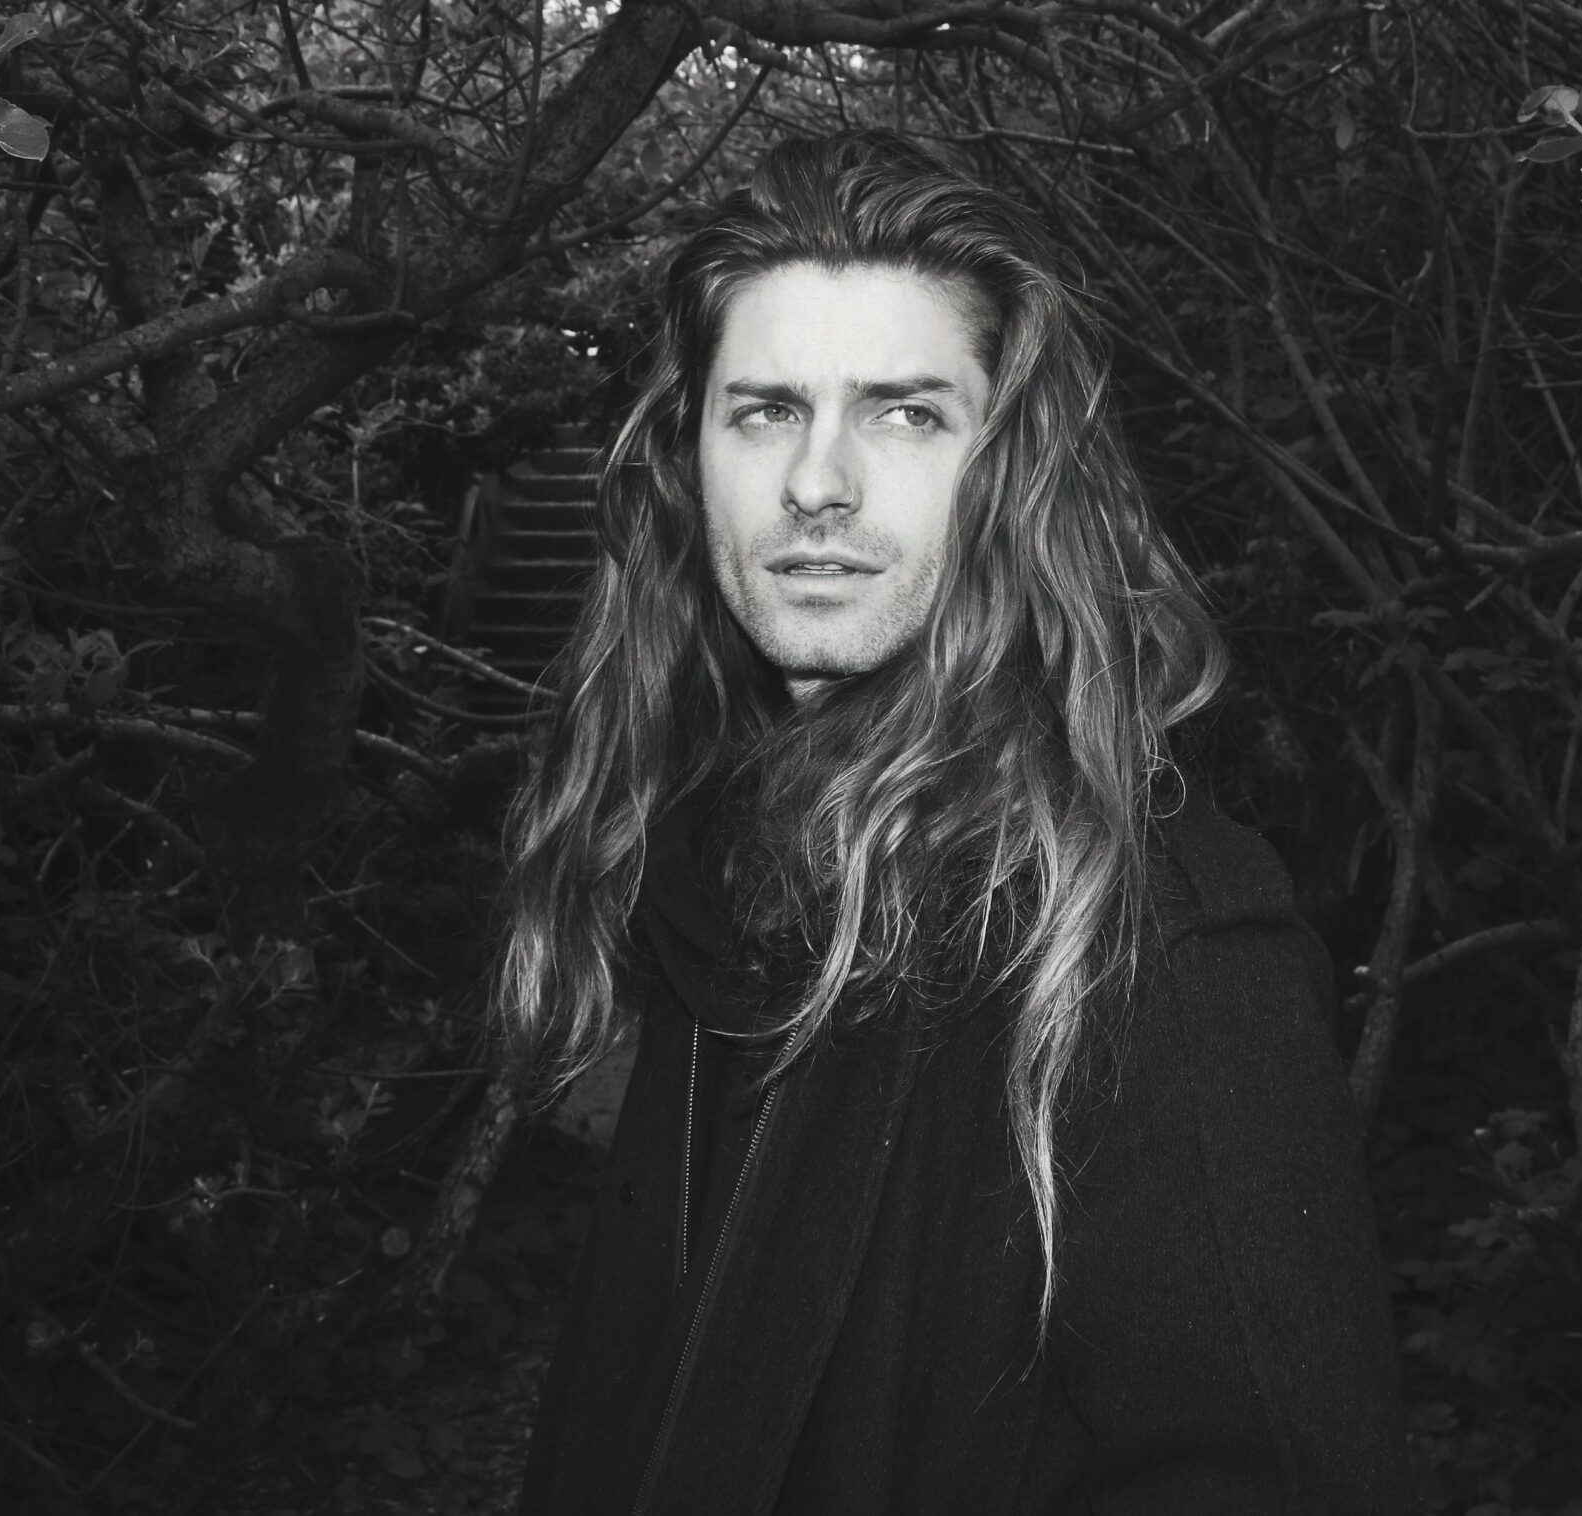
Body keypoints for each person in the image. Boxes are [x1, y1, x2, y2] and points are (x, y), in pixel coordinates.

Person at [499, 131, 1415, 1515]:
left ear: (1013, 470)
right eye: (762, 411)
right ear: (687, 458)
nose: (819, 481)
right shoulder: (703, 864)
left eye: (905, 414)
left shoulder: (1152, 946)